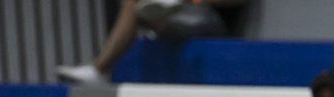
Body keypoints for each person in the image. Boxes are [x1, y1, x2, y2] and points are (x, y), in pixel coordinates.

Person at [55, 0, 246, 84]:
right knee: (132, 3)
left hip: (210, 20)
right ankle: (158, 12)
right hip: (181, 15)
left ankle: (99, 69)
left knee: (139, 7)